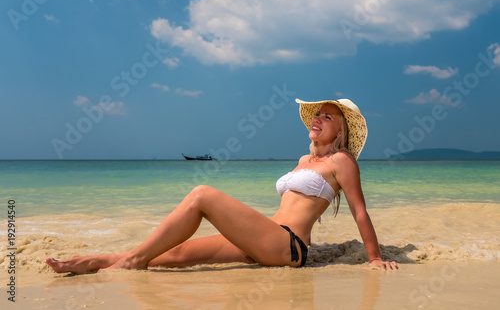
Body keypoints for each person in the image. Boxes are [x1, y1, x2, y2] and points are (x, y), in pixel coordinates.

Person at [46, 98, 398, 274]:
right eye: (316, 114)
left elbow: (359, 211)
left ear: (340, 130)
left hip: (288, 247)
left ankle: (130, 262)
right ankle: (94, 262)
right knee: (174, 256)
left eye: (327, 117)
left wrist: (376, 258)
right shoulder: (305, 160)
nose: (318, 119)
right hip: (268, 238)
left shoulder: (342, 162)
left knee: (202, 194)